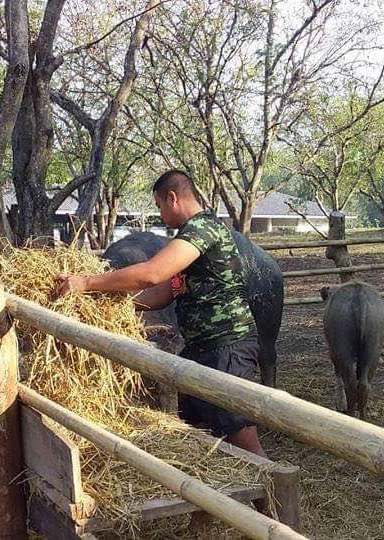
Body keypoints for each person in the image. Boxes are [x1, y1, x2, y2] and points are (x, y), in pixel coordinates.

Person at [54, 169, 267, 459]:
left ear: (172, 198)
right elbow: (161, 295)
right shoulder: (189, 239)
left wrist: (87, 282)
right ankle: (214, 504)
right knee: (200, 443)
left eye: (159, 207)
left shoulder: (203, 230)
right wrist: (108, 306)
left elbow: (152, 274)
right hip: (199, 351)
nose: (161, 215)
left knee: (245, 445)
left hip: (226, 347)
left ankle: (274, 503)